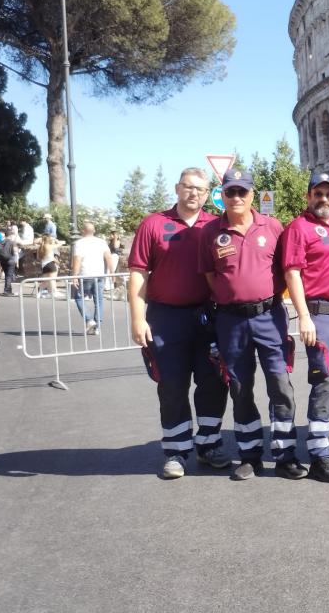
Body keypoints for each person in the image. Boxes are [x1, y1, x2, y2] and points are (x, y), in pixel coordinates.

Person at [199, 168, 305, 481]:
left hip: (269, 316)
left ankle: (285, 455)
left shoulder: (272, 226)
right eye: (230, 192)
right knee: (240, 388)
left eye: (242, 192)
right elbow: (209, 275)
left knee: (280, 385)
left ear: (252, 195)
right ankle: (250, 454)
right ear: (222, 195)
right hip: (231, 321)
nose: (236, 197)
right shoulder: (211, 233)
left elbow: (288, 271)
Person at [128, 167, 230, 479]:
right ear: (177, 188)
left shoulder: (215, 225)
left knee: (213, 381)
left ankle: (209, 444)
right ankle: (176, 450)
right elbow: (138, 274)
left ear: (207, 193)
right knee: (172, 385)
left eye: (200, 189)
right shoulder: (153, 224)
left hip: (207, 317)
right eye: (188, 187)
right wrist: (136, 317)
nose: (193, 193)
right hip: (166, 317)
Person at [282, 171, 329, 483]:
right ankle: (318, 453)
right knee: (325, 381)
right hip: (321, 315)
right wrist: (304, 316)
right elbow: (293, 273)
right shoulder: (299, 228)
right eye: (318, 193)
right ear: (308, 196)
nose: (323, 198)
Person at [71, 221, 112, 334]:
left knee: (78, 297)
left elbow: (77, 260)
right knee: (98, 300)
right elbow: (108, 257)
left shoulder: (79, 243)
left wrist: (74, 276)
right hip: (99, 274)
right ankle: (97, 326)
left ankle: (89, 320)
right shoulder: (101, 242)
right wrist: (112, 273)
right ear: (93, 231)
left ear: (83, 231)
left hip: (85, 274)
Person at [0, 226, 21, 296]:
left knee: (7, 275)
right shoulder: (12, 242)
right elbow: (15, 252)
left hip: (3, 261)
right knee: (9, 276)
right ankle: (7, 291)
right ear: (10, 235)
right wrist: (17, 262)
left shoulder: (0, 243)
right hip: (10, 260)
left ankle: (9, 290)